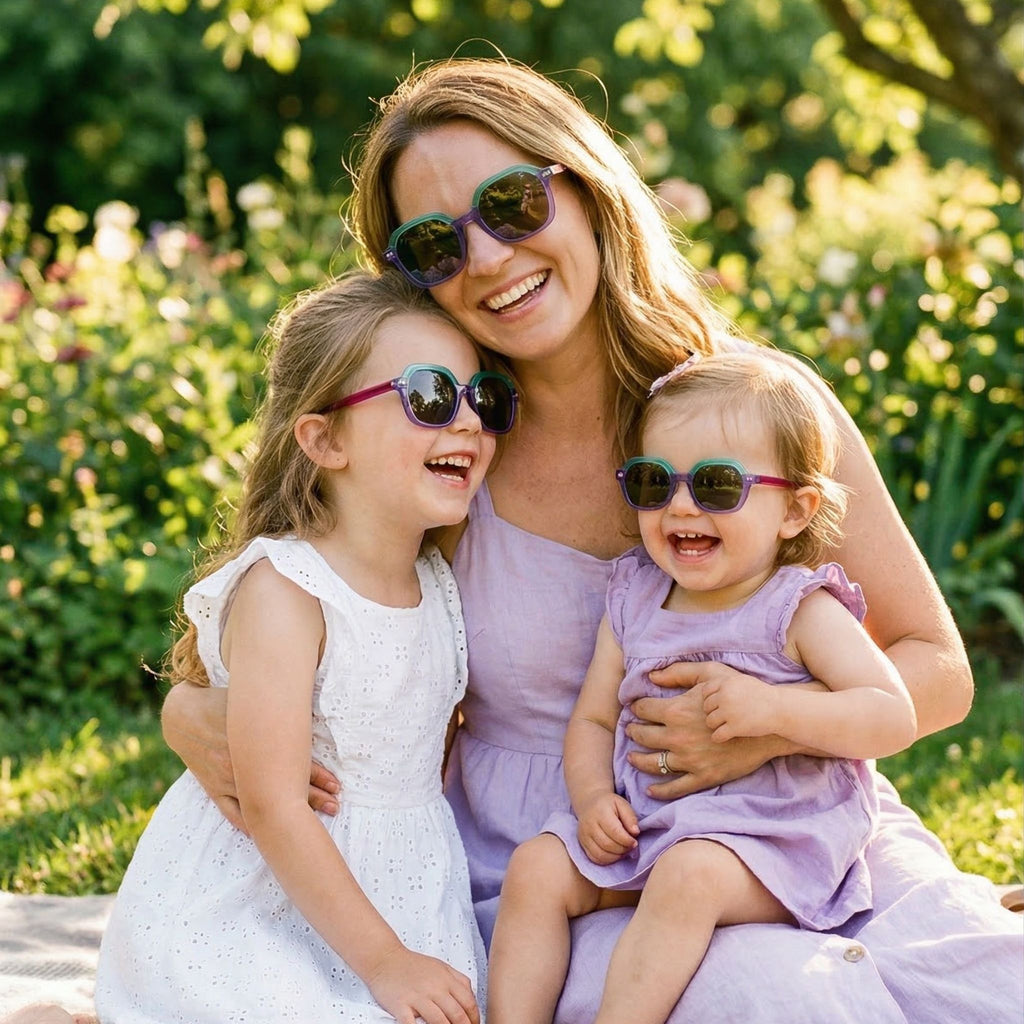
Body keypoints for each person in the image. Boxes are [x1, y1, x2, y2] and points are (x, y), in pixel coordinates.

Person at [155, 56, 1023, 1022]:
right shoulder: (444, 449)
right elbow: (304, 611)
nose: (486, 258)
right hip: (566, 865)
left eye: (513, 203)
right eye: (436, 243)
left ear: (585, 184)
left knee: (990, 980)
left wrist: (763, 729)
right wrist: (190, 716)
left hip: (797, 829)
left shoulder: (753, 413)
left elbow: (934, 668)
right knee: (781, 1000)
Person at [93, 270, 508, 1022]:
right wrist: (387, 964)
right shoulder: (289, 590)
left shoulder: (436, 580)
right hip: (259, 905)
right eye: (430, 397)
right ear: (324, 438)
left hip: (402, 893)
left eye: (484, 396)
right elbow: (275, 805)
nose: (471, 420)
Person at [486, 351, 918, 1023]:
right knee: (537, 868)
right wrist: (593, 798)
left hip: (772, 838)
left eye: (716, 485)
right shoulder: (636, 594)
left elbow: (892, 715)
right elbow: (595, 720)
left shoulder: (799, 608)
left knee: (688, 877)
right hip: (649, 824)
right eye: (655, 483)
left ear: (795, 510)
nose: (680, 506)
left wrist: (773, 710)